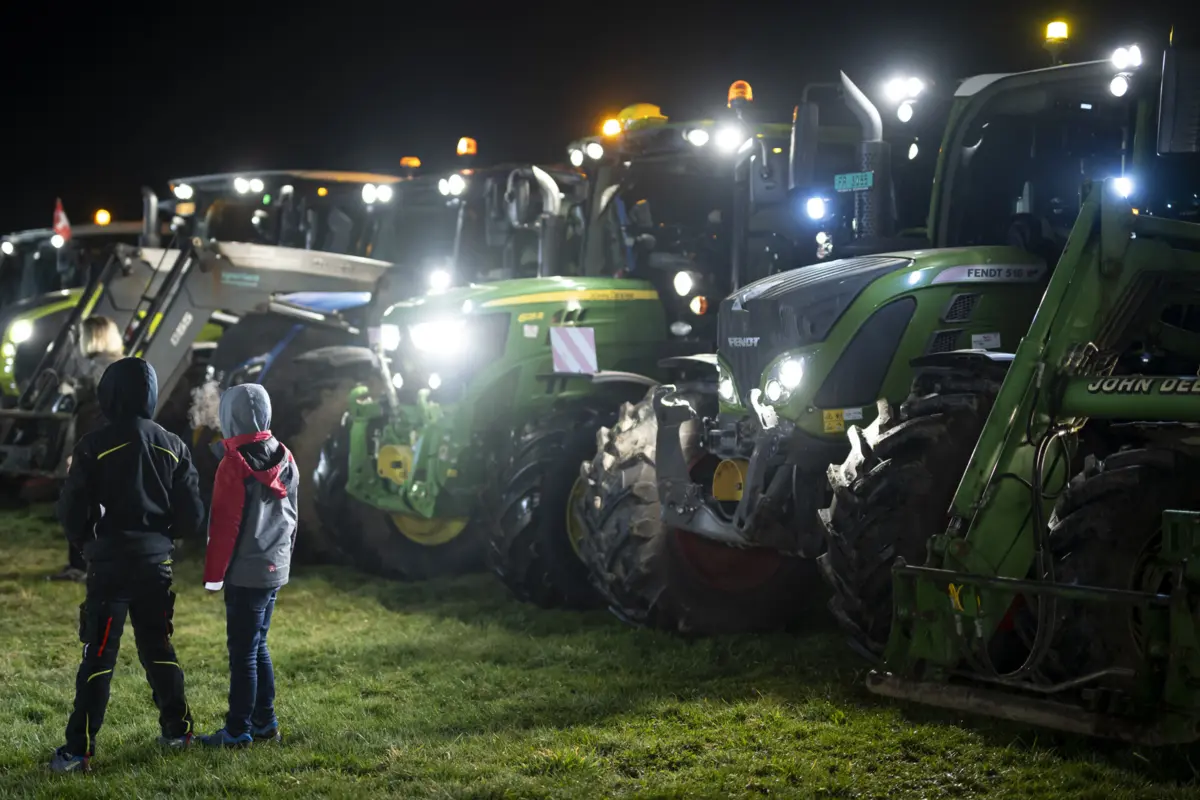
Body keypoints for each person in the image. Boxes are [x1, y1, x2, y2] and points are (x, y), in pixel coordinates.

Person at [50, 357, 205, 773]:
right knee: (159, 648)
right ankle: (179, 731)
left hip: (109, 568)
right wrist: (161, 538)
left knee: (98, 657)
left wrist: (86, 543)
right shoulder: (173, 445)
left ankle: (78, 752)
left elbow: (71, 511)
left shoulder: (93, 445)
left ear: (109, 394)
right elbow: (192, 516)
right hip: (155, 566)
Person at [200, 383, 298, 747]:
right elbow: (292, 514)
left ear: (229, 416)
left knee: (243, 654)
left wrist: (214, 577)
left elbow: (224, 527)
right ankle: (264, 723)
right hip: (274, 566)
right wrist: (285, 558)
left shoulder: (232, 464)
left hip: (245, 574)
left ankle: (237, 730)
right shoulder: (285, 455)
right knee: (258, 646)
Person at [49, 316, 125, 583]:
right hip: (116, 450)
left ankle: (80, 566)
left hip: (92, 450)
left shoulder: (96, 368)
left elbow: (95, 415)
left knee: (81, 508)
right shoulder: (124, 366)